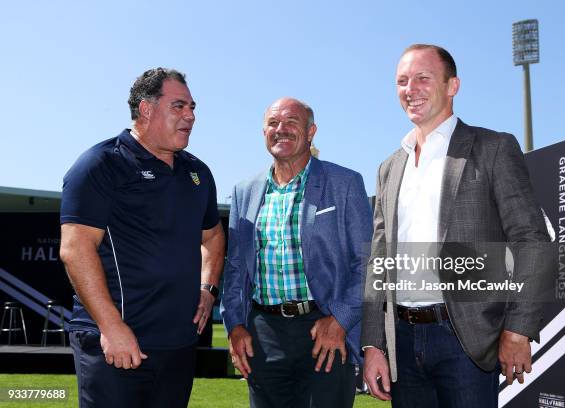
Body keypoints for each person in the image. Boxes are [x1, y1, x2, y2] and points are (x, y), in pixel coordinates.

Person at [361, 44, 551, 407]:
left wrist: (518, 327)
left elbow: (531, 241)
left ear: (452, 86)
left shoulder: (493, 148)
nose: (410, 89)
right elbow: (378, 261)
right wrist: (373, 344)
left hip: (466, 340)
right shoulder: (390, 167)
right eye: (402, 81)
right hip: (401, 341)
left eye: (422, 78)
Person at [59, 68, 225, 408]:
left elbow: (213, 236)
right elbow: (75, 250)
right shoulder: (100, 164)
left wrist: (208, 289)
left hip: (178, 344)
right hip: (116, 342)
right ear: (146, 109)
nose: (190, 115)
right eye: (179, 106)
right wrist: (111, 327)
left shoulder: (199, 173)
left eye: (192, 107)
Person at [221, 97, 372, 408]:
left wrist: (340, 321)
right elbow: (236, 268)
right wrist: (235, 326)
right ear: (263, 132)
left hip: (325, 329)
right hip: (264, 333)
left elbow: (368, 263)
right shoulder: (244, 191)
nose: (281, 129)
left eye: (292, 122)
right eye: (273, 123)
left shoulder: (344, 183)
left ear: (311, 131)